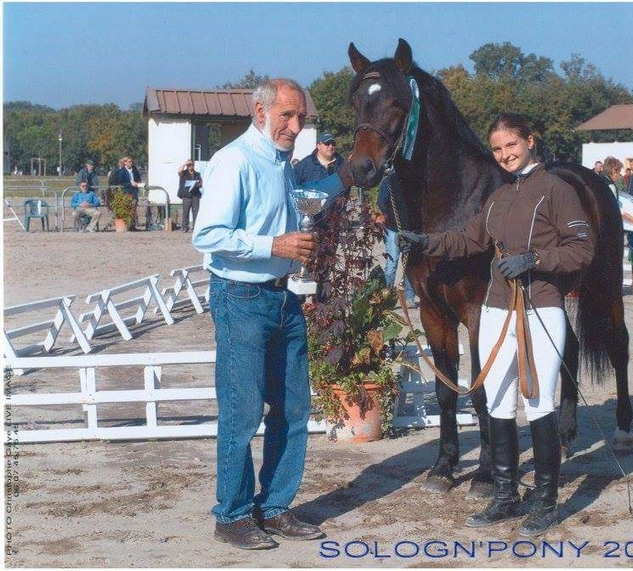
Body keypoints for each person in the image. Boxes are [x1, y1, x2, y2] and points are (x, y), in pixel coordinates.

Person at [398, 113, 594, 537]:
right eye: (498, 149)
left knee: (538, 402)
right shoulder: (500, 196)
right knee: (499, 400)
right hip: (496, 308)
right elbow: (469, 239)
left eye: (512, 146)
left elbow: (581, 249)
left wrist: (537, 260)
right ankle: (506, 495)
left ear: (530, 141)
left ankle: (545, 500)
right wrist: (425, 241)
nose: (505, 155)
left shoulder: (557, 190)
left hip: (540, 307)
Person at [192, 78, 354, 550]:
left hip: (283, 297)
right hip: (240, 298)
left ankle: (275, 506)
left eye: (300, 117)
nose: (295, 125)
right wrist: (274, 245)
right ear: (259, 111)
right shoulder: (235, 160)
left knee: (292, 408)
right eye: (286, 115)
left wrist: (346, 177)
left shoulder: (282, 164)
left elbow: (305, 205)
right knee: (243, 412)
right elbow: (207, 235)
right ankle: (233, 515)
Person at [291, 132, 348, 300]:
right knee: (304, 261)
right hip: (309, 225)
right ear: (318, 145)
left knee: (326, 264)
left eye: (333, 143)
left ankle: (321, 302)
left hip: (332, 225)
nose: (331, 146)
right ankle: (300, 300)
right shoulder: (303, 166)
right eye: (326, 143)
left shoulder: (343, 164)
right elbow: (294, 190)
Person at [376, 175, 416, 306]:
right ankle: (387, 296)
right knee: (392, 263)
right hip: (393, 227)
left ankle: (409, 297)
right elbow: (381, 201)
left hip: (410, 229)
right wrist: (390, 216)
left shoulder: (414, 179)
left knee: (409, 263)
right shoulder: (389, 180)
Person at [177, 159, 202, 232]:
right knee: (186, 212)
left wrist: (196, 184)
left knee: (196, 212)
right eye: (189, 165)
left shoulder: (197, 174)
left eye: (191, 165)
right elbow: (179, 171)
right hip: (186, 195)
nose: (190, 167)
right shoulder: (184, 173)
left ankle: (195, 227)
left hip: (195, 195)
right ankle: (184, 227)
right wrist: (185, 164)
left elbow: (201, 183)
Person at [117, 156, 143, 229]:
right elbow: (121, 182)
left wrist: (138, 183)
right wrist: (130, 183)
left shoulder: (134, 170)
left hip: (134, 192)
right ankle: (127, 225)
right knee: (127, 208)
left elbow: (138, 179)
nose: (131, 163)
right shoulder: (122, 171)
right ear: (125, 163)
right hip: (126, 192)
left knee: (133, 208)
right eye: (129, 162)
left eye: (131, 162)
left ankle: (132, 225)